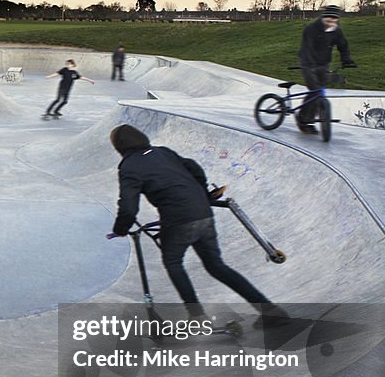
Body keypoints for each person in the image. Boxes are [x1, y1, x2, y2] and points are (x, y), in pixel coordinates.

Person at [106, 124, 284, 324]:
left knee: (173, 263)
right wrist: (203, 193)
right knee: (216, 266)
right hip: (203, 213)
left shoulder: (129, 166)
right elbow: (194, 167)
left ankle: (197, 316)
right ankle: (270, 310)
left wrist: (120, 229)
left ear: (120, 147)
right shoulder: (163, 152)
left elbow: (129, 208)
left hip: (177, 219)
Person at [296, 5, 356, 133]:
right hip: (308, 63)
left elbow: (343, 46)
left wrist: (346, 60)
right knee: (315, 92)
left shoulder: (336, 31)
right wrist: (309, 66)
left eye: (334, 19)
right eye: (329, 18)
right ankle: (303, 121)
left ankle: (311, 116)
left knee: (318, 93)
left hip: (323, 65)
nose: (331, 21)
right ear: (323, 17)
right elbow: (306, 48)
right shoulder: (311, 29)